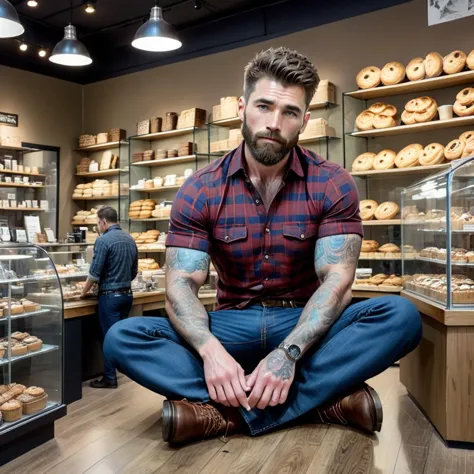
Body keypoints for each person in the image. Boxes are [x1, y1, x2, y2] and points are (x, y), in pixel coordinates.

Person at [104, 47, 422, 442]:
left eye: (289, 112)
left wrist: (287, 355)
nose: (274, 123)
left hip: (305, 325)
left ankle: (225, 415)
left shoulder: (332, 182)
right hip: (229, 325)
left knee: (402, 316)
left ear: (304, 121)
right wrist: (210, 351)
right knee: (122, 338)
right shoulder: (200, 188)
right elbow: (180, 286)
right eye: (264, 106)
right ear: (242, 107)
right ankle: (324, 402)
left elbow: (337, 282)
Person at [81, 206, 138, 389]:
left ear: (103, 222)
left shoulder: (103, 240)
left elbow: (94, 273)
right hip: (127, 295)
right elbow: (134, 271)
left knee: (108, 338)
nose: (98, 227)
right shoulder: (130, 239)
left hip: (110, 298)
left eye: (98, 223)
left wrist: (83, 292)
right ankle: (121, 372)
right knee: (119, 336)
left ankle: (109, 378)